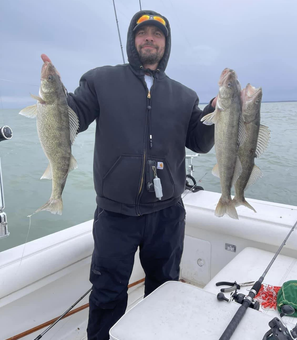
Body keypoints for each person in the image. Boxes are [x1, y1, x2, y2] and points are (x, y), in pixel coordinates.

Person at [44, 9, 216, 340]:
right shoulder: (100, 80)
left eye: (157, 34)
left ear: (166, 44)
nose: (149, 38)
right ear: (131, 40)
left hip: (167, 214)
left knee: (164, 290)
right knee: (107, 294)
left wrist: (215, 112)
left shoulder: (184, 96)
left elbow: (201, 141)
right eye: (142, 33)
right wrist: (55, 95)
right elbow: (72, 116)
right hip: (115, 214)